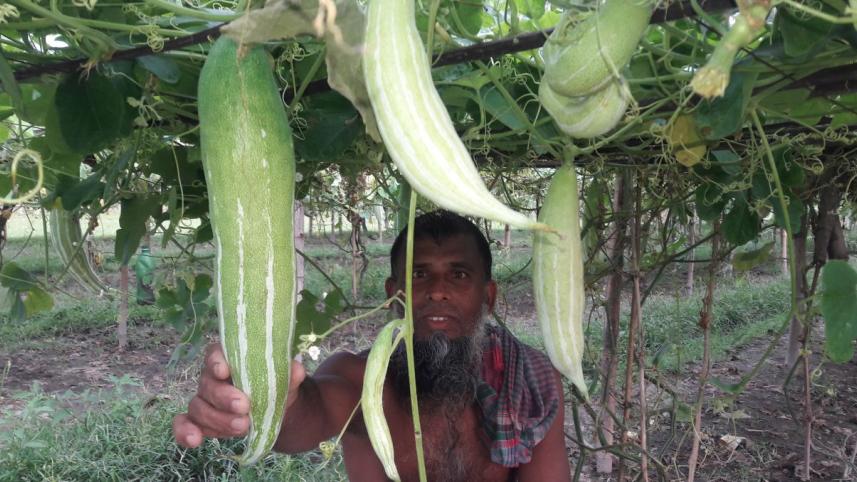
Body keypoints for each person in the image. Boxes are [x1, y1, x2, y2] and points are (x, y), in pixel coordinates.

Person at [173, 210, 571, 481]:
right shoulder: (360, 379)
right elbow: (303, 421)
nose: (437, 292)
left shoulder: (528, 381)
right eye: (418, 275)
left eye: (459, 275)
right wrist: (269, 397)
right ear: (394, 295)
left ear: (489, 297)